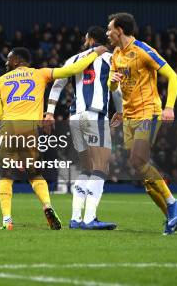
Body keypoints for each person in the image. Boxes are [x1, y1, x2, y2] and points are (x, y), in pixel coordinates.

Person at [0, 44, 108, 230]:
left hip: (8, 127)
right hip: (30, 129)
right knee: (35, 175)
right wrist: (95, 53)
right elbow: (72, 69)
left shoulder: (0, 81)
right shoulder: (40, 74)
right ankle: (47, 205)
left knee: (5, 177)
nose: (6, 62)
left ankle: (7, 220)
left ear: (16, 60)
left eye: (8, 58)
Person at [106, 12, 177, 235]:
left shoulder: (144, 51)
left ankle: (172, 202)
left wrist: (169, 107)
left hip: (149, 112)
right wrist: (112, 83)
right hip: (129, 116)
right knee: (140, 170)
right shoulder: (115, 56)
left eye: (110, 29)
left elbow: (174, 76)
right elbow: (113, 88)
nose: (108, 33)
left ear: (119, 30)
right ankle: (170, 217)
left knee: (137, 159)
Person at [45, 26, 122, 230]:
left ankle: (76, 218)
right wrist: (120, 111)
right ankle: (89, 219)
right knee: (101, 167)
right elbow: (117, 89)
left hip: (75, 117)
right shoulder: (109, 57)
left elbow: (57, 86)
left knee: (86, 168)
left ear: (89, 39)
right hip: (95, 115)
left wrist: (50, 112)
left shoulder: (73, 59)